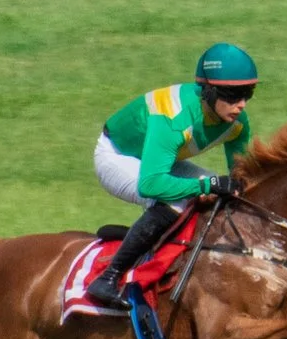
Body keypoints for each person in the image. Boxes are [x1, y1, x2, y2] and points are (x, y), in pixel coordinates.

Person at [82, 43, 260, 310]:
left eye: (247, 94)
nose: (241, 105)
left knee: (216, 194)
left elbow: (241, 177)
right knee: (175, 199)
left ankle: (152, 240)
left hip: (157, 158)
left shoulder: (237, 124)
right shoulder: (174, 119)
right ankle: (108, 278)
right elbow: (151, 184)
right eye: (233, 96)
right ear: (209, 91)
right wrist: (207, 185)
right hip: (117, 157)